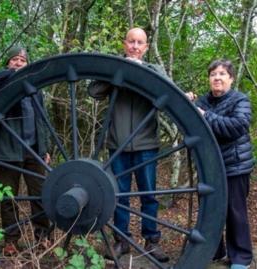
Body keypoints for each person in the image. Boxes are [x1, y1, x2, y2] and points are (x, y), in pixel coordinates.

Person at [88, 28, 169, 262]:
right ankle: (121, 240)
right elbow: (94, 91)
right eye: (131, 42)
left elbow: (168, 94)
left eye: (139, 43)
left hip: (146, 144)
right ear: (125, 45)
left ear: (146, 47)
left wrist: (144, 71)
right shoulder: (116, 68)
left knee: (149, 195)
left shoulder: (154, 71)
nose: (135, 46)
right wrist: (116, 70)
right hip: (118, 145)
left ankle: (151, 241)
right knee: (120, 195)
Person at [0, 46, 51, 255]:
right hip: (8, 151)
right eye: (14, 60)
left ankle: (43, 238)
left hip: (33, 151)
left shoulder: (35, 90)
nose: (18, 63)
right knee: (8, 198)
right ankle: (11, 241)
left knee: (39, 195)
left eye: (22, 61)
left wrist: (45, 148)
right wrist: (10, 75)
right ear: (8, 64)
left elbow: (43, 120)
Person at [187, 59, 254, 269]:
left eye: (222, 74)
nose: (217, 78)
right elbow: (190, 126)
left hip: (235, 165)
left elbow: (237, 126)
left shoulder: (240, 100)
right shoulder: (202, 102)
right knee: (210, 211)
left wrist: (205, 116)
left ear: (231, 79)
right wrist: (187, 103)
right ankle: (214, 251)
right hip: (209, 168)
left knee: (235, 212)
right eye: (213, 74)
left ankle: (241, 258)